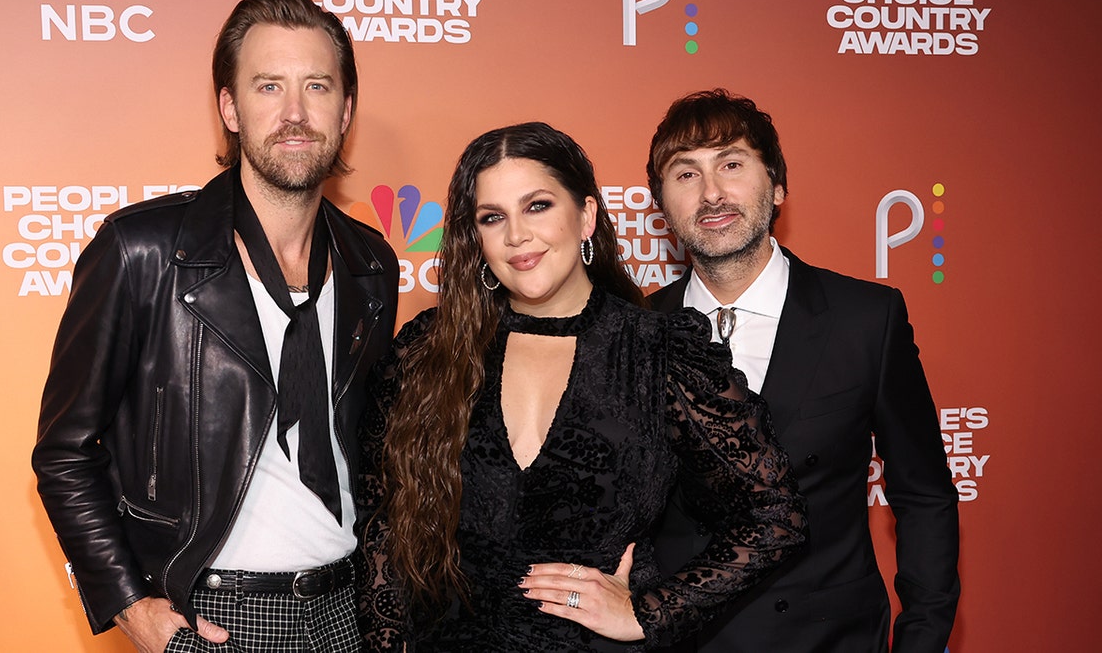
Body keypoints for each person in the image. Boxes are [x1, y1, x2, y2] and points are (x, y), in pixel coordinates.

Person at [31, 0, 398, 653]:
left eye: (317, 86)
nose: (294, 113)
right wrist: (131, 604)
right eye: (268, 86)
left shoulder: (371, 262)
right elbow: (64, 452)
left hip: (351, 611)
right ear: (230, 107)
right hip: (216, 620)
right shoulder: (141, 251)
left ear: (345, 111)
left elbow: (368, 448)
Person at [354, 122, 807, 651]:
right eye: (492, 217)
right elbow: (381, 526)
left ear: (586, 215)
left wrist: (651, 613)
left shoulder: (659, 353)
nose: (517, 235)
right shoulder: (427, 352)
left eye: (538, 206)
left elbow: (775, 514)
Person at [646, 89, 959, 653]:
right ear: (662, 205)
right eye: (686, 174)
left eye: (732, 165)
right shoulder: (636, 332)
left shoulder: (867, 319)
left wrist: (921, 640)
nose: (712, 192)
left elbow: (924, 494)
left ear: (778, 185)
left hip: (830, 638)